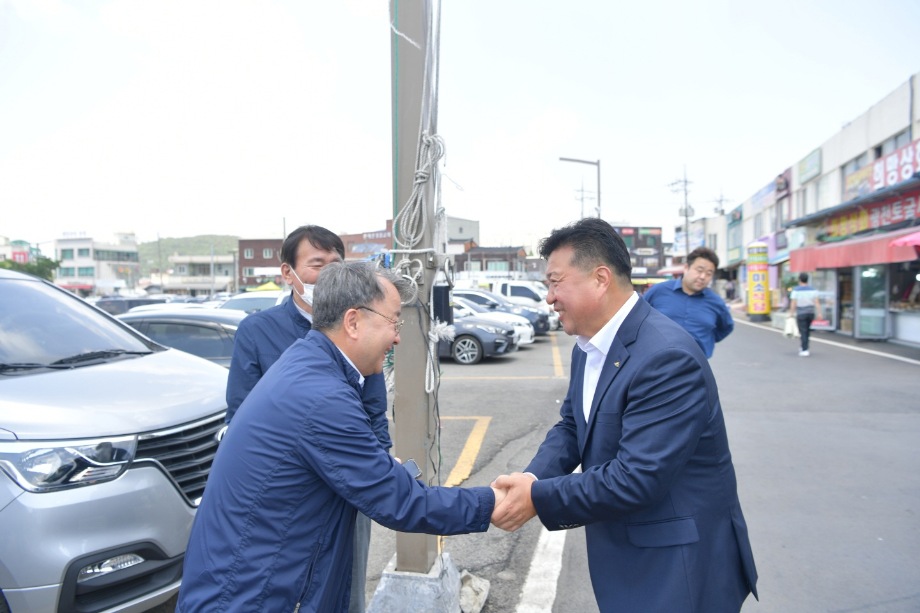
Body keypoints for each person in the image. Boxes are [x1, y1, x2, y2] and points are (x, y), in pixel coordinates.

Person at [177, 262, 505, 612]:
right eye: (394, 321)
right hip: (250, 599)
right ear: (353, 321)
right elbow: (401, 502)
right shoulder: (321, 397)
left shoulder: (311, 364)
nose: (397, 336)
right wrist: (495, 503)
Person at [490, 218, 758, 612]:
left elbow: (637, 478)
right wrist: (532, 477)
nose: (548, 297)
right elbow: (572, 426)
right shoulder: (590, 344)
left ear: (600, 279)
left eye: (555, 282)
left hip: (676, 565)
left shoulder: (666, 357)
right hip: (630, 552)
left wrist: (537, 498)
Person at [224, 225, 385, 613]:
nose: (329, 274)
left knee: (346, 590)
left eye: (336, 264)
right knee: (284, 587)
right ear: (287, 273)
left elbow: (374, 411)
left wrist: (377, 467)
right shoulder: (257, 331)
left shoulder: (359, 327)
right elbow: (242, 414)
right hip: (285, 494)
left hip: (348, 486)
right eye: (317, 264)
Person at [643, 246, 734, 358]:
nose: (702, 277)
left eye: (709, 273)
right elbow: (638, 318)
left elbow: (725, 327)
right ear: (686, 268)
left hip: (696, 367)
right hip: (655, 362)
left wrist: (706, 340)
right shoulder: (658, 291)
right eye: (699, 270)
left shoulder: (716, 302)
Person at [789, 272, 821, 357]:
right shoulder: (813, 290)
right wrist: (819, 313)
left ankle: (804, 349)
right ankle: (804, 346)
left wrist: (791, 313)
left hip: (801, 313)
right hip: (810, 312)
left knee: (803, 331)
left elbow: (793, 303)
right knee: (807, 330)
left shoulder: (796, 290)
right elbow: (817, 302)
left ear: (799, 280)